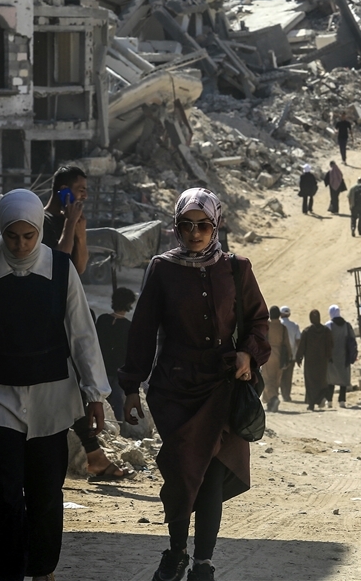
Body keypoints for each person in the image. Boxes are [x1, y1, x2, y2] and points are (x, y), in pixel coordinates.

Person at [0, 189, 111, 581]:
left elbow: (82, 334)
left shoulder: (61, 270)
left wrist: (95, 394)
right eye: (12, 236)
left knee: (47, 495)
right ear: (2, 231)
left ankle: (41, 568)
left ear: (38, 231)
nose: (20, 245)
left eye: (28, 236)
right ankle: (2, 573)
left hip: (52, 401)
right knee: (3, 494)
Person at [119, 188, 270, 581]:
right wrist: (130, 386)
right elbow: (143, 330)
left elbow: (258, 320)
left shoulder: (237, 268)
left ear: (215, 224)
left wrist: (247, 355)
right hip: (175, 390)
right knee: (184, 471)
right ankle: (176, 551)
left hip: (223, 386)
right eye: (186, 225)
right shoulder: (162, 268)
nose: (195, 232)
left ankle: (202, 561)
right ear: (176, 227)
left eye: (203, 224)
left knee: (214, 474)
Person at [42, 166, 123, 481]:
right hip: (47, 314)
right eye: (79, 189)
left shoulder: (70, 222)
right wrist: (70, 224)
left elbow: (80, 266)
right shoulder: (43, 221)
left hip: (69, 310)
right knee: (69, 382)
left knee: (74, 381)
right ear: (62, 191)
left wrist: (79, 231)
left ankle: (94, 455)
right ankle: (94, 455)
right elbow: (56, 265)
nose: (85, 195)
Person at [95, 286, 136, 428]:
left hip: (101, 368)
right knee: (118, 401)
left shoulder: (102, 319)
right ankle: (117, 427)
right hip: (118, 370)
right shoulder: (128, 326)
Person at [295, 309, 332, 411]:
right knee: (321, 381)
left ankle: (311, 403)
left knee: (311, 382)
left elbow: (301, 346)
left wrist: (298, 358)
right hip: (322, 362)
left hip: (310, 363)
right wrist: (329, 357)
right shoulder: (326, 331)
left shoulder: (307, 332)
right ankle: (320, 399)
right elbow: (330, 345)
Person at [324, 305, 356, 409]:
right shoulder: (347, 325)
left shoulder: (328, 325)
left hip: (331, 357)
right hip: (344, 356)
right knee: (343, 379)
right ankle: (342, 400)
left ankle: (329, 401)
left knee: (330, 379)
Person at [261, 306, 291, 412]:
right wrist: (289, 358)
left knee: (268, 380)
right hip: (280, 357)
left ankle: (273, 399)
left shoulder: (267, 326)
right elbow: (287, 344)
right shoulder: (283, 328)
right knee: (276, 381)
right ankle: (271, 404)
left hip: (268, 355)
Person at [279, 306, 301, 403]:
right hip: (291, 355)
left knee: (279, 375)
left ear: (280, 314)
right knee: (288, 376)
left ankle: (280, 393)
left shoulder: (278, 325)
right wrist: (297, 354)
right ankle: (286, 395)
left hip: (279, 355)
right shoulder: (295, 326)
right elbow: (298, 341)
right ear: (289, 314)